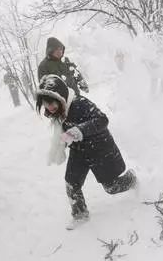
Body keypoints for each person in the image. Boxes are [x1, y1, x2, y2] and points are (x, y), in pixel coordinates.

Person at [35, 74, 137, 229]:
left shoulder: (80, 103)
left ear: (61, 97)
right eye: (45, 104)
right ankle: (80, 214)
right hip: (79, 151)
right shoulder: (57, 112)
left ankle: (132, 179)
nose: (49, 108)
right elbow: (63, 129)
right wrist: (63, 141)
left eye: (52, 103)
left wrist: (78, 130)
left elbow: (102, 120)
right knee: (71, 183)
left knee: (111, 187)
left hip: (100, 148)